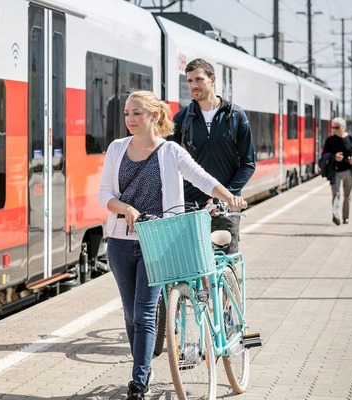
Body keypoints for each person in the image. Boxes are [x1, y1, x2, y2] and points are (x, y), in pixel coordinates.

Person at [99, 90, 246, 400]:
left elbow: (201, 178)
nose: (130, 119)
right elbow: (105, 196)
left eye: (137, 113)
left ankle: (138, 382)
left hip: (159, 243)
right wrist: (125, 209)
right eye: (127, 113)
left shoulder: (170, 152)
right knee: (129, 314)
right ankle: (145, 365)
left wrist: (228, 195)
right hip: (121, 244)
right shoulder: (116, 149)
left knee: (144, 314)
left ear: (155, 116)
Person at [171, 58, 255, 253]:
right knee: (191, 268)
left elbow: (248, 163)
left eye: (199, 79)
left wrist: (227, 195)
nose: (194, 85)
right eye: (189, 81)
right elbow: (167, 159)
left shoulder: (235, 116)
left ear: (212, 79)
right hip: (191, 206)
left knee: (225, 265)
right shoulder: (182, 118)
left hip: (225, 206)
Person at [320, 117, 352, 225]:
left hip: (348, 171)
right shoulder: (330, 140)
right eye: (333, 127)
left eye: (337, 127)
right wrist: (334, 157)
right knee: (336, 194)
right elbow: (324, 155)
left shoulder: (350, 138)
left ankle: (345, 217)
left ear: (343, 127)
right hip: (335, 171)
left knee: (348, 195)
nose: (334, 130)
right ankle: (335, 215)